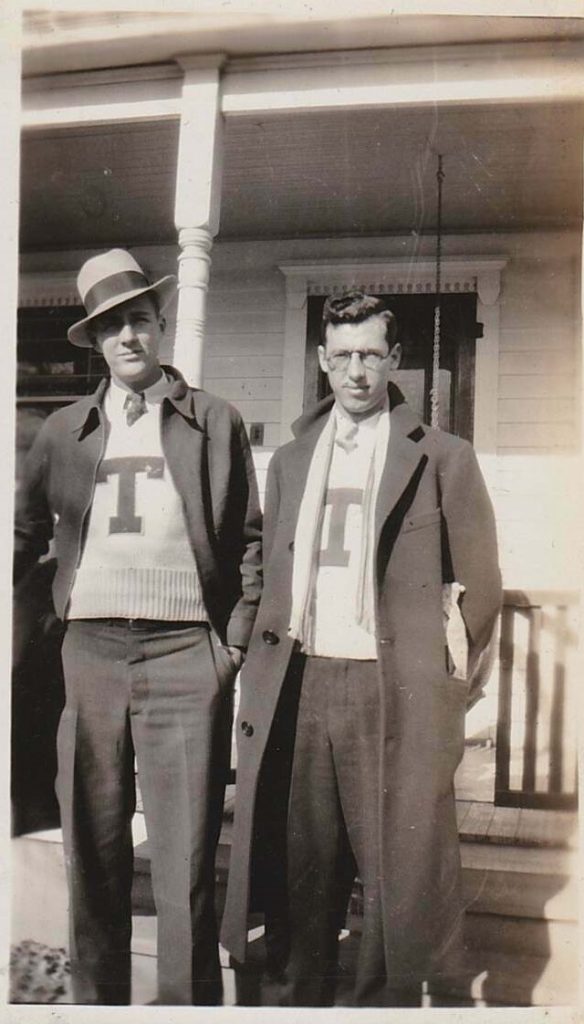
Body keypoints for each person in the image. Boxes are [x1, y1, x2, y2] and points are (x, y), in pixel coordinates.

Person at [220, 291, 502, 1007]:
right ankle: (296, 1003)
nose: (356, 372)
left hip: (390, 692)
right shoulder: (289, 460)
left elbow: (482, 587)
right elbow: (264, 567)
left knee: (393, 878)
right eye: (342, 356)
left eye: (370, 355)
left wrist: (446, 690)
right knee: (301, 868)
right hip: (303, 686)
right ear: (321, 362)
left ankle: (384, 1009)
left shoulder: (442, 457)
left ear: (394, 359)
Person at [13, 248, 262, 1006]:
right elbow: (24, 538)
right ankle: (101, 1007)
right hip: (89, 652)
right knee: (94, 843)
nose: (129, 336)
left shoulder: (213, 421)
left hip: (187, 655)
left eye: (140, 321)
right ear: (96, 340)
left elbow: (249, 542)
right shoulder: (62, 430)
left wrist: (233, 648)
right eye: (112, 326)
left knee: (185, 855)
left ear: (161, 328)